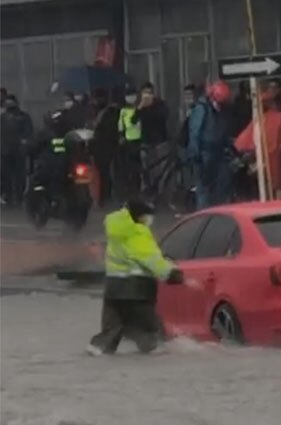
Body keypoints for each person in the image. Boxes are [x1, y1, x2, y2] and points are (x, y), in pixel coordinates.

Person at [87, 199, 184, 356]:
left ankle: (94, 354)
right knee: (151, 334)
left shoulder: (117, 232)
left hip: (113, 290)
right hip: (137, 291)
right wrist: (173, 274)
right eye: (148, 216)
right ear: (139, 216)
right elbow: (151, 260)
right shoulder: (138, 233)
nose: (150, 220)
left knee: (111, 332)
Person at [235, 90, 281, 199]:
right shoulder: (279, 118)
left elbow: (242, 143)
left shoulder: (261, 119)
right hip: (275, 160)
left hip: (268, 160)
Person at [188, 81, 234, 209]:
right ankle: (204, 216)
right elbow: (195, 132)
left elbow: (222, 130)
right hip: (203, 153)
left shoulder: (220, 110)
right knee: (203, 188)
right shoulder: (201, 109)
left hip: (217, 153)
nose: (220, 106)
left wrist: (229, 146)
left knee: (221, 186)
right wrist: (195, 154)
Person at [1, 95, 33, 206]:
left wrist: (24, 143)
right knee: (5, 175)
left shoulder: (23, 117)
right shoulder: (2, 118)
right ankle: (7, 195)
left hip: (19, 151)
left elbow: (28, 132)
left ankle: (19, 196)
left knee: (20, 175)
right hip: (5, 151)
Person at [91, 93, 120, 206]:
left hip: (105, 148)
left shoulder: (109, 113)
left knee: (106, 174)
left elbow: (104, 132)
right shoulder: (102, 113)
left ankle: (106, 197)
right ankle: (105, 197)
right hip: (104, 148)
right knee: (104, 174)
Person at [117, 88, 143, 199]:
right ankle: (134, 190)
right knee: (133, 167)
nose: (131, 98)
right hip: (130, 141)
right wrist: (121, 136)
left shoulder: (139, 108)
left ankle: (139, 188)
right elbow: (122, 125)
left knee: (141, 167)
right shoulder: (124, 110)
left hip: (141, 140)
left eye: (132, 95)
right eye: (129, 96)